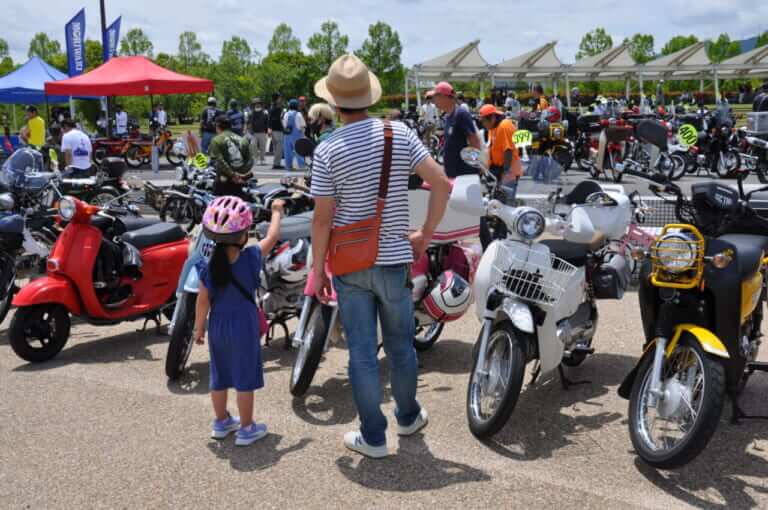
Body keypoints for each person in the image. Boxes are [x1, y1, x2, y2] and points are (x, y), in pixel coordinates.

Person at [310, 54, 451, 459]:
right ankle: (408, 416)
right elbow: (440, 182)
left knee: (361, 352)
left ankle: (373, 436)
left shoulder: (327, 149)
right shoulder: (399, 134)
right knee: (401, 346)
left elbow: (322, 220)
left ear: (335, 104)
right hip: (393, 260)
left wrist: (316, 271)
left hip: (348, 264)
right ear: (368, 96)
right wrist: (426, 233)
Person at [193, 195, 285, 446]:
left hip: (218, 324)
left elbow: (202, 301)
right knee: (244, 377)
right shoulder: (250, 257)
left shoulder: (207, 265)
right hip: (244, 324)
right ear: (243, 234)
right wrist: (277, 211)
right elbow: (273, 236)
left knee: (219, 374)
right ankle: (247, 428)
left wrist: (199, 329)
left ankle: (221, 421)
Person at [478, 104, 522, 249]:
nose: (483, 124)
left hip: (507, 170)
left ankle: (501, 240)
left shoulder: (504, 126)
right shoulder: (493, 128)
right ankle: (497, 237)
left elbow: (508, 151)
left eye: (484, 121)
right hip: (497, 170)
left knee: (504, 206)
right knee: (496, 204)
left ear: (492, 117)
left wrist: (505, 173)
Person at [431, 81, 482, 178]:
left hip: (464, 173)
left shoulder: (461, 114)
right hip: (452, 173)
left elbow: (474, 140)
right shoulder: (448, 117)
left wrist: (476, 165)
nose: (434, 100)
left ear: (445, 96)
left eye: (436, 96)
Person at [208, 115, 253, 198]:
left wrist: (233, 175)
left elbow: (220, 161)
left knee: (217, 207)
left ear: (218, 126)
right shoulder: (242, 139)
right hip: (240, 182)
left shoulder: (216, 140)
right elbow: (250, 160)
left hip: (223, 182)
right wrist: (240, 174)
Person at [282, 99, 306, 170]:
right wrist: (303, 134)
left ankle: (289, 166)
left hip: (287, 134)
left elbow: (284, 124)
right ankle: (301, 165)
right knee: (299, 150)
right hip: (297, 135)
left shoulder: (286, 114)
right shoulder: (298, 114)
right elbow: (302, 126)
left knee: (288, 151)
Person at [248, 98, 269, 165]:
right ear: (254, 105)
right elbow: (249, 123)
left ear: (261, 104)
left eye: (258, 103)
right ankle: (256, 158)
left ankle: (262, 159)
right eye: (256, 104)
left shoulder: (265, 113)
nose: (257, 105)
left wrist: (267, 130)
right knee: (253, 146)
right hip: (254, 133)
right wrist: (250, 130)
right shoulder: (251, 113)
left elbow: (267, 122)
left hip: (262, 132)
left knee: (263, 146)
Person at [269, 94, 285, 169]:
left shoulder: (272, 107)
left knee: (276, 148)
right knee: (279, 148)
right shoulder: (277, 108)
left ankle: (276, 163)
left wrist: (269, 128)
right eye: (279, 98)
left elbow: (270, 119)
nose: (281, 99)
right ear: (277, 99)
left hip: (273, 130)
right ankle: (276, 164)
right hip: (277, 130)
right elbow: (278, 119)